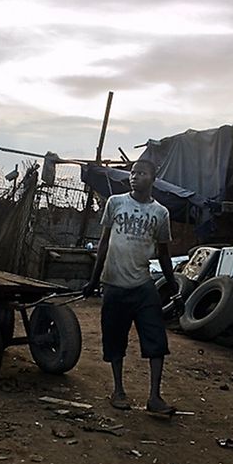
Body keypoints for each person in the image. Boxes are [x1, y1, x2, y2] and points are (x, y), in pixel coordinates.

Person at [82, 159, 178, 417]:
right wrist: (93, 280)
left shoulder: (160, 213)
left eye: (142, 173)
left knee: (156, 340)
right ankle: (118, 391)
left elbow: (164, 253)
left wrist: (173, 284)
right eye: (133, 172)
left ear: (153, 179)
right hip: (113, 284)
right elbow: (103, 242)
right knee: (114, 339)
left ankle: (155, 397)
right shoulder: (115, 203)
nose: (135, 177)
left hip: (143, 286)